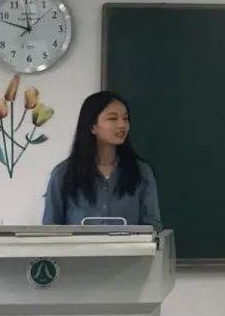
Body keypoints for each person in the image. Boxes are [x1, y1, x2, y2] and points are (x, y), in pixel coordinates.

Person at [42, 91, 162, 230]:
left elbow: (152, 225)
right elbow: (50, 229)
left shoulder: (141, 172)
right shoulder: (63, 174)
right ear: (93, 127)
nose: (122, 124)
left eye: (125, 118)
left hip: (129, 245)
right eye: (112, 118)